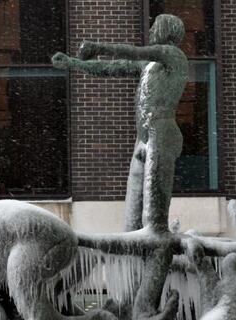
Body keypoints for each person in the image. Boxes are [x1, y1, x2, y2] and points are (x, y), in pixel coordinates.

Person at [52, 14, 188, 234]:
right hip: (143, 139)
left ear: (167, 30)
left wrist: (98, 46)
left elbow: (133, 51)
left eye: (155, 26)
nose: (152, 30)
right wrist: (72, 63)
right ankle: (134, 253)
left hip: (162, 135)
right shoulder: (150, 63)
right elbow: (112, 68)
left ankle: (157, 251)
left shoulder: (173, 55)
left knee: (154, 216)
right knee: (132, 214)